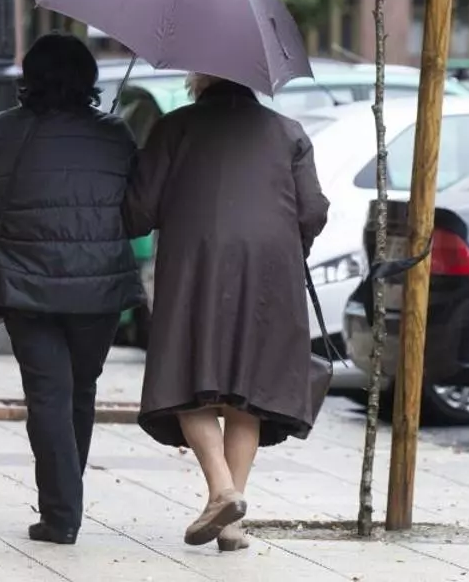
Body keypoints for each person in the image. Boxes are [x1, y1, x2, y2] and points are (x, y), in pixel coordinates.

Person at [124, 72, 329, 551]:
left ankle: (222, 492)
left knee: (187, 380)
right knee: (247, 390)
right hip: (270, 272)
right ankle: (231, 521)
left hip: (194, 266)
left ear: (200, 82)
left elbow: (139, 211)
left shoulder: (175, 127)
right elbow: (312, 211)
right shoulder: (288, 132)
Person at [0, 32, 146, 546]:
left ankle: (61, 513)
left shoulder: (5, 129)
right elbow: (135, 204)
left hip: (26, 282)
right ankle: (65, 503)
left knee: (47, 395)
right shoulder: (114, 133)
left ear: (29, 77)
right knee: (80, 389)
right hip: (98, 288)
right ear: (88, 79)